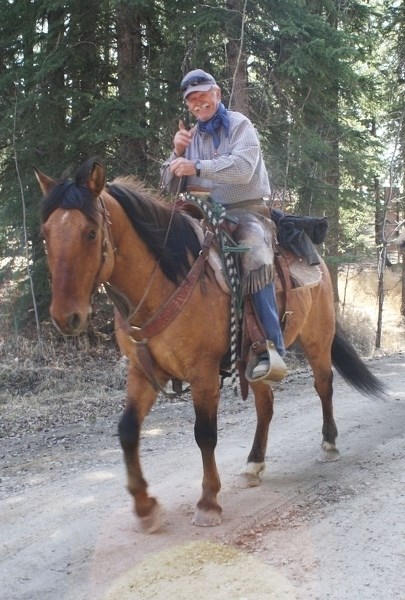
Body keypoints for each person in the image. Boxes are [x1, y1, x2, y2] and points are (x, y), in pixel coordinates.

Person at [161, 69, 286, 380]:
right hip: (204, 213)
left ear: (216, 93)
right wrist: (176, 154)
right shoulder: (190, 136)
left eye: (203, 95)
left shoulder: (240, 126)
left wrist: (197, 165)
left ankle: (271, 348)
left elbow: (244, 169)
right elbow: (166, 182)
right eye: (192, 99)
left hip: (247, 210)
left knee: (255, 255)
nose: (198, 102)